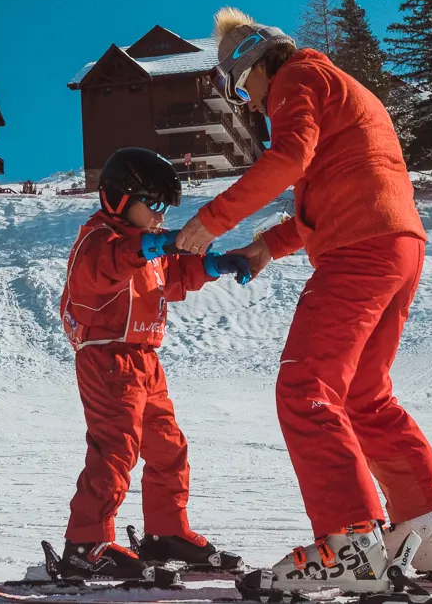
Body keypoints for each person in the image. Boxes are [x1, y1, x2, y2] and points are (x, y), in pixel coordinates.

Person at [175, 9, 432, 592]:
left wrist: (211, 222)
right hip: (398, 245)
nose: (250, 105)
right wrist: (266, 248)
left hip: (359, 250)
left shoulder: (297, 79)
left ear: (254, 65)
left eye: (241, 89)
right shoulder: (333, 87)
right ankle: (426, 533)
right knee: (365, 394)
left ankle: (350, 545)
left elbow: (289, 161)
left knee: (304, 388)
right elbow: (329, 197)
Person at [58, 147, 252, 580]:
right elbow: (116, 261)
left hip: (146, 360)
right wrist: (158, 242)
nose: (162, 216)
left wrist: (217, 264)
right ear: (120, 199)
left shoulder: (149, 248)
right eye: (155, 206)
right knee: (116, 450)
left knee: (168, 447)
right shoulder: (98, 240)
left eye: (166, 209)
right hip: (109, 358)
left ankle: (166, 532)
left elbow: (176, 275)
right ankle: (86, 543)